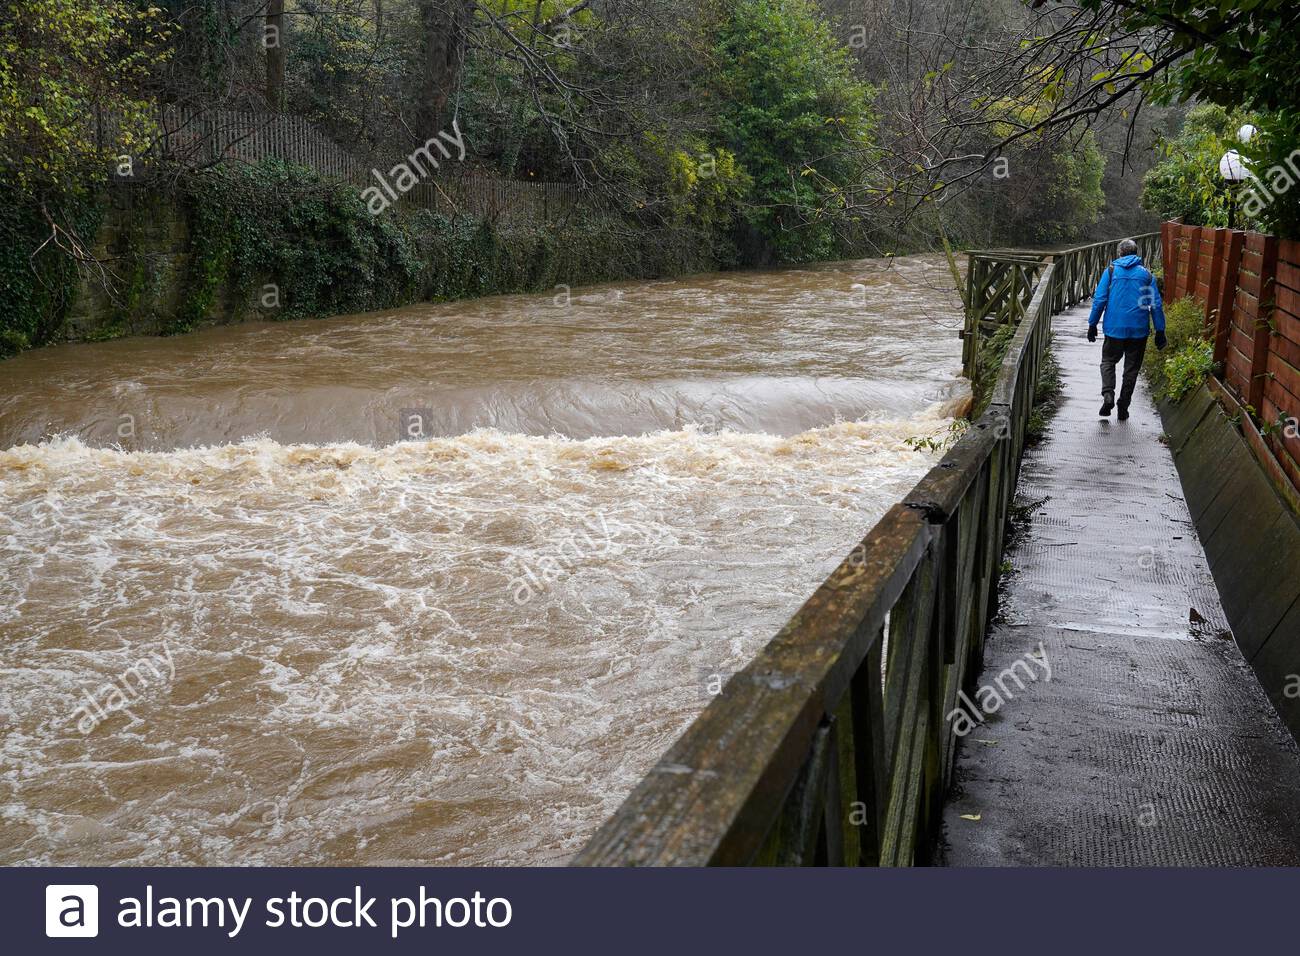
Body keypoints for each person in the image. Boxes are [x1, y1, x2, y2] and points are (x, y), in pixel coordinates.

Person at [1086, 238, 1167, 421]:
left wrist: (1092, 324)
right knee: (1131, 369)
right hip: (1138, 330)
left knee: (1108, 361)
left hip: (1114, 328)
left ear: (1120, 253)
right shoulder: (1147, 275)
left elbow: (1099, 300)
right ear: (1135, 253)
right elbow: (1155, 305)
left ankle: (1108, 394)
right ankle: (1124, 405)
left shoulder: (1112, 271)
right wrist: (1160, 331)